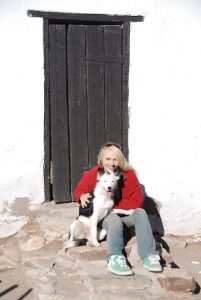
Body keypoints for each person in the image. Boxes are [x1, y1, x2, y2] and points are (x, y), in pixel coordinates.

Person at [74, 142, 162, 275]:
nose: (111, 163)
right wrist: (81, 196)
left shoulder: (129, 175)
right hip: (105, 214)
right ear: (101, 160)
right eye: (108, 159)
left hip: (122, 212)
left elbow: (137, 201)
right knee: (114, 221)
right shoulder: (93, 174)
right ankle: (115, 257)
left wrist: (112, 203)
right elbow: (79, 190)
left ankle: (149, 255)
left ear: (120, 160)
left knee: (141, 212)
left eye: (115, 159)